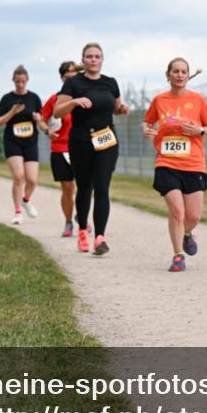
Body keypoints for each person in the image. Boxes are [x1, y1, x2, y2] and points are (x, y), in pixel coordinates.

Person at [53, 43, 130, 255]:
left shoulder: (110, 83)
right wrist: (74, 102)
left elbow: (116, 108)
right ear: (83, 60)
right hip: (81, 140)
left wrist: (122, 109)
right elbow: (57, 112)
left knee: (102, 187)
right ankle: (82, 231)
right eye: (89, 56)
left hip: (106, 139)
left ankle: (100, 238)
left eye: (97, 56)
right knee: (85, 188)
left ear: (102, 59)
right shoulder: (73, 83)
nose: (93, 60)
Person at [143, 57, 207, 272]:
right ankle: (178, 255)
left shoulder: (198, 99)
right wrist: (147, 129)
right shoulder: (160, 100)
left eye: (184, 71)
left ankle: (186, 233)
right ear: (168, 75)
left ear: (188, 75)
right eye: (175, 71)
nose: (180, 75)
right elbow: (147, 121)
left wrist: (199, 131)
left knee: (193, 216)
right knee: (177, 210)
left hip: (193, 163)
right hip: (166, 161)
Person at [0, 65, 46, 224]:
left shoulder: (34, 98)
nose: (20, 84)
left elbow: (42, 121)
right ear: (13, 80)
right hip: (12, 141)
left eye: (23, 81)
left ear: (27, 80)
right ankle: (17, 211)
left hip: (30, 142)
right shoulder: (7, 99)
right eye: (17, 81)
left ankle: (26, 200)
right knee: (18, 176)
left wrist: (40, 120)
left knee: (32, 180)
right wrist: (12, 112)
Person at [41, 61, 82, 237]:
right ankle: (68, 222)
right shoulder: (54, 99)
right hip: (60, 147)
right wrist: (47, 130)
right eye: (67, 78)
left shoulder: (85, 97)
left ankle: (82, 215)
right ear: (62, 79)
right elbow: (42, 119)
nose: (71, 81)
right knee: (67, 187)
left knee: (85, 186)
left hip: (82, 147)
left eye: (74, 77)